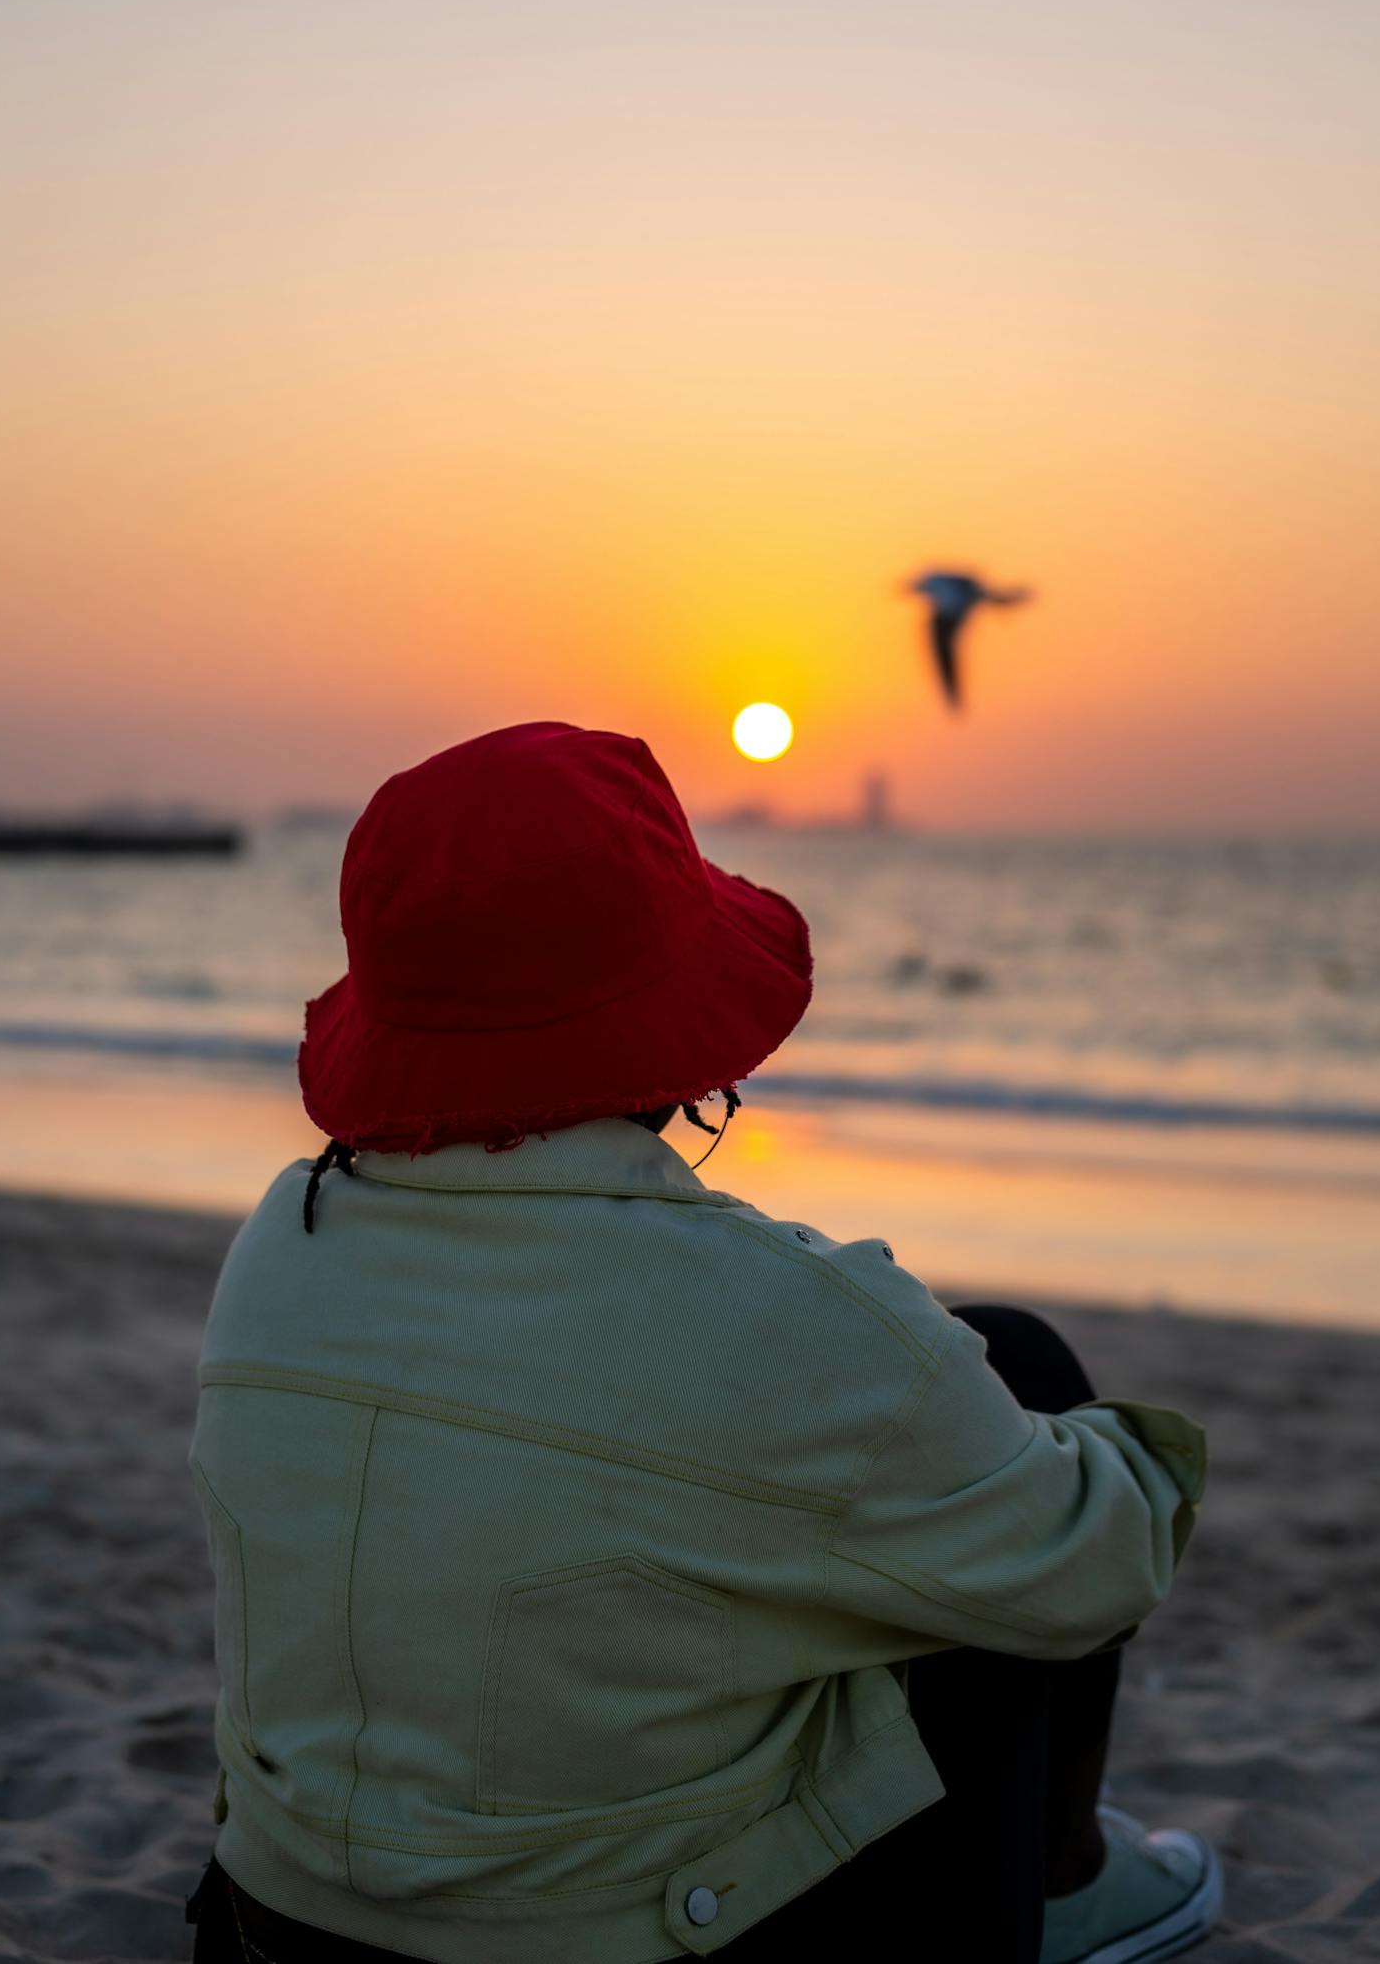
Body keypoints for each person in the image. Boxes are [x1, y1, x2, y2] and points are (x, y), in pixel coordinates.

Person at [185, 721, 1221, 1964]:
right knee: (1017, 1389)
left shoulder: (275, 1250)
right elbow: (1099, 1568)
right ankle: (1062, 1890)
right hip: (611, 1946)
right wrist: (1056, 1453)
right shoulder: (788, 1325)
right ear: (667, 995)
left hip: (277, 1928)